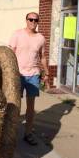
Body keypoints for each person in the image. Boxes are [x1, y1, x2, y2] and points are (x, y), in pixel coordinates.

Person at [9, 12, 50, 146]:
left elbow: (42, 57)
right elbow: (10, 53)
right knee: (15, 105)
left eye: (36, 20)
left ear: (38, 22)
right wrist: (8, 71)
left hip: (33, 74)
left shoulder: (41, 38)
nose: (33, 22)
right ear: (26, 20)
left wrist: (46, 73)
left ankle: (28, 133)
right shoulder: (17, 34)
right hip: (18, 74)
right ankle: (11, 133)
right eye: (30, 19)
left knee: (31, 107)